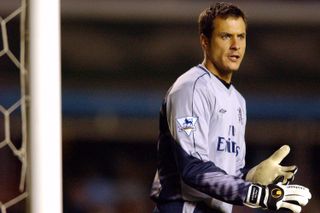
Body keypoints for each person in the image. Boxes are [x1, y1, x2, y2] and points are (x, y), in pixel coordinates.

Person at [150, 2, 311, 213]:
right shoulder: (191, 88)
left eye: (241, 36)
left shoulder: (238, 101)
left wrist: (252, 177)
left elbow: (229, 174)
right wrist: (257, 194)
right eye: (226, 36)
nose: (236, 45)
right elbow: (193, 168)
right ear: (204, 41)